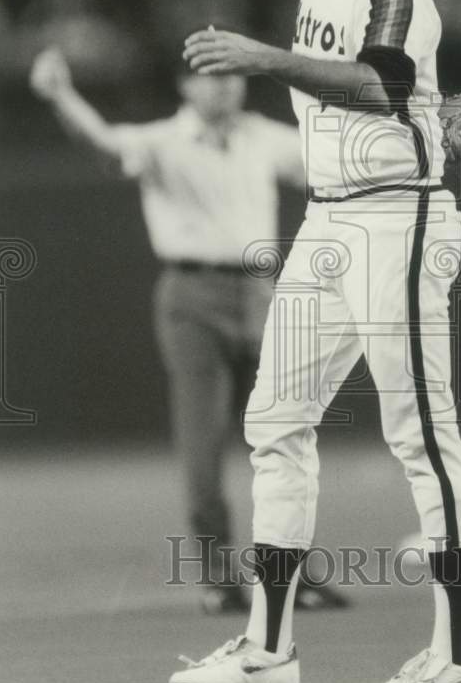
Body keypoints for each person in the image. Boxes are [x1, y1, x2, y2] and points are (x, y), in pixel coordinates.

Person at [169, 0, 461, 683]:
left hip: (399, 220)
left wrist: (266, 57)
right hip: (329, 220)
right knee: (274, 419)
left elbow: (383, 82)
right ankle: (268, 651)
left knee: (420, 435)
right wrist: (429, 108)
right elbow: (397, 89)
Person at [29, 47, 349, 614]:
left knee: (286, 433)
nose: (224, 86)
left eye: (232, 75)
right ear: (184, 85)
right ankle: (221, 577)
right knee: (203, 441)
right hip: (192, 295)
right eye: (210, 76)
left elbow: (333, 168)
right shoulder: (163, 142)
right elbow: (102, 141)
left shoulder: (263, 137)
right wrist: (60, 95)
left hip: (260, 292)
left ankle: (291, 569)